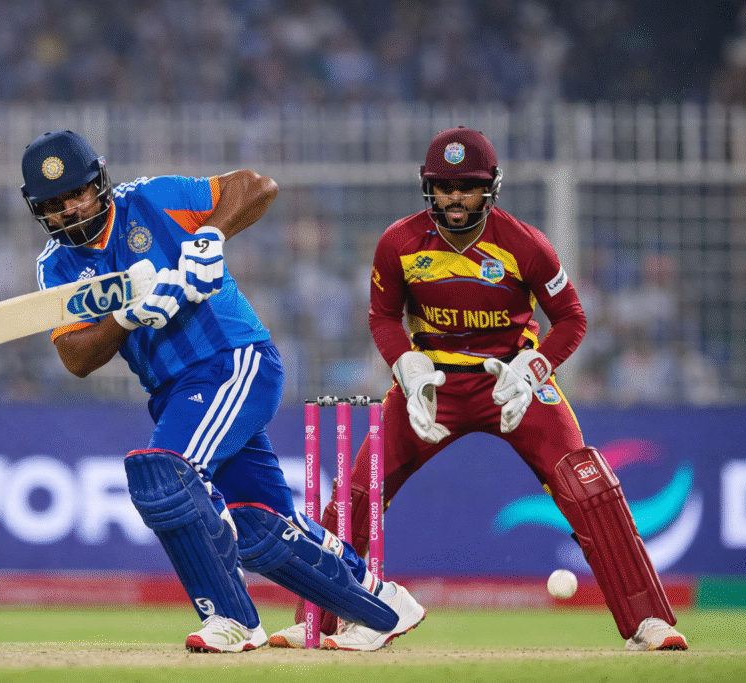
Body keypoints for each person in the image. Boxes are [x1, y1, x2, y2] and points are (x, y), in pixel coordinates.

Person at [269, 127, 688, 652]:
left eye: (467, 186)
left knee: (588, 488)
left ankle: (649, 623)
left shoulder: (524, 244)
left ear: (490, 187)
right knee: (358, 493)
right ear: (428, 187)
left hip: (513, 385)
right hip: (432, 387)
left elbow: (572, 319)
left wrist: (534, 369)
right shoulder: (399, 243)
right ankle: (318, 620)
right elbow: (383, 316)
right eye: (444, 187)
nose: (455, 198)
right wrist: (406, 367)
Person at [19, 129, 426, 652]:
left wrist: (209, 236)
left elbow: (256, 185)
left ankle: (231, 618)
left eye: (77, 194)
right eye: (54, 205)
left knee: (166, 473)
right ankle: (381, 605)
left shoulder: (152, 198)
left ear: (99, 182)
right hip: (174, 392)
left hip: (233, 360)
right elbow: (76, 358)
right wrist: (125, 317)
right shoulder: (56, 266)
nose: (70, 211)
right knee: (261, 526)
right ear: (38, 211)